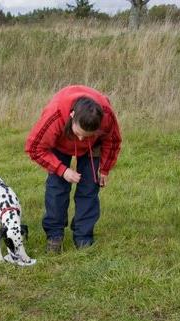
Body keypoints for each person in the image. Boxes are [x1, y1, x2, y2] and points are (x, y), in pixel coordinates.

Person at [25, 85, 122, 253]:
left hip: (94, 147)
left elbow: (112, 141)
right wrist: (62, 170)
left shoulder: (106, 117)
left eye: (87, 135)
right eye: (79, 133)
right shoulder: (55, 115)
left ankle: (83, 237)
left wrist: (105, 169)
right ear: (72, 117)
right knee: (57, 188)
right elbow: (34, 148)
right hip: (60, 143)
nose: (81, 139)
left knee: (90, 188)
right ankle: (54, 235)